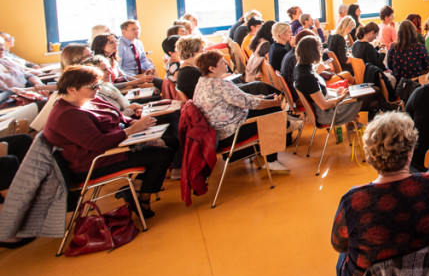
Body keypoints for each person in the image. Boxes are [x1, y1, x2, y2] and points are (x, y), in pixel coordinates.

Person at [331, 111, 429, 276]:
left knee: (341, 259)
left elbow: (338, 244)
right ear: (410, 153)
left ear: (371, 157)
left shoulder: (353, 201)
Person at [42, 65, 173, 219]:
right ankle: (142, 197)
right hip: (93, 162)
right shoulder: (66, 115)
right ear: (72, 89)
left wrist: (131, 123)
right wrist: (130, 131)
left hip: (112, 149)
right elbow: (97, 143)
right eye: (94, 86)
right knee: (163, 154)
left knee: (171, 142)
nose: (98, 89)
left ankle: (137, 190)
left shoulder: (86, 101)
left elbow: (117, 117)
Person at [192, 51, 290, 174]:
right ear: (212, 68)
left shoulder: (201, 82)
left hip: (220, 130)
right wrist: (273, 103)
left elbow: (243, 98)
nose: (226, 63)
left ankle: (283, 125)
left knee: (268, 101)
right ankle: (271, 160)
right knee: (273, 110)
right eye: (222, 62)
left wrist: (266, 99)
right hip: (231, 133)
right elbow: (250, 103)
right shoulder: (220, 85)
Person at [293, 35, 360, 131]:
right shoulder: (307, 77)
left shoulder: (299, 68)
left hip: (325, 107)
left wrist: (335, 90)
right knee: (367, 98)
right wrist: (341, 97)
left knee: (365, 96)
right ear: (311, 52)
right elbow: (324, 105)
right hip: (328, 114)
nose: (321, 51)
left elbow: (317, 91)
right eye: (319, 48)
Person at [172, 35, 205, 100]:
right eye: (202, 48)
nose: (204, 50)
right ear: (194, 51)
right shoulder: (192, 73)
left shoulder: (184, 68)